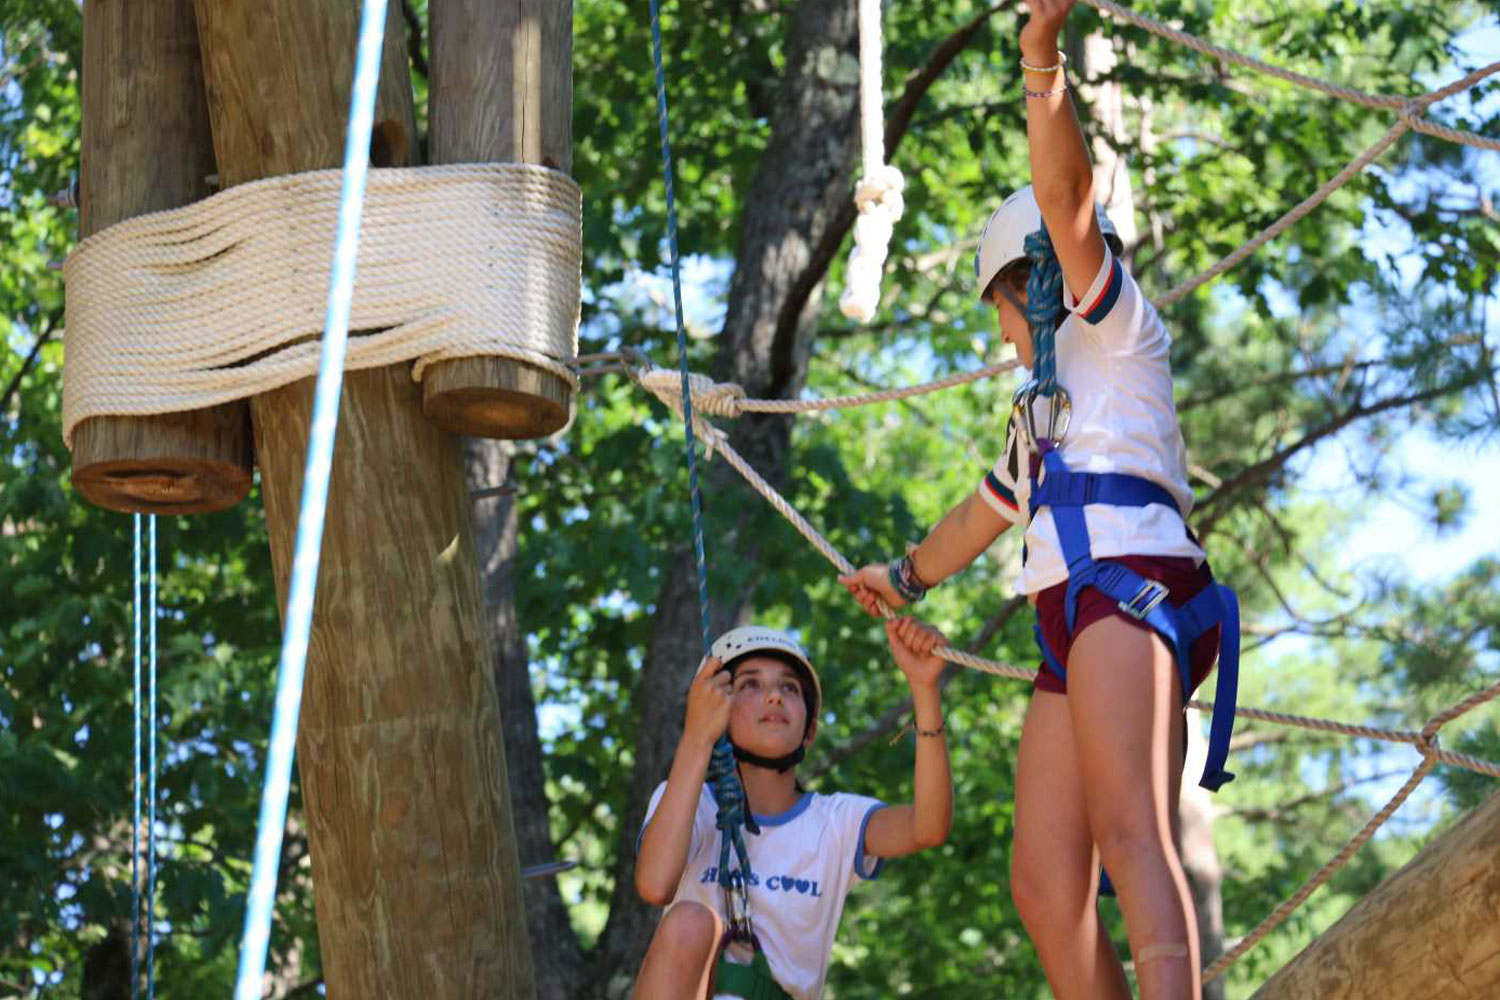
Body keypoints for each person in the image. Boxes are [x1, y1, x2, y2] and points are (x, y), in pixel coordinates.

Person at [839, 2, 1239, 997]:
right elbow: (979, 517)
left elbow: (1064, 202)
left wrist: (1039, 61)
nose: (1006, 338)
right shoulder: (1038, 417)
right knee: (1042, 879)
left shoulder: (1117, 331)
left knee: (1127, 828)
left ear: (1039, 293)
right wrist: (899, 577)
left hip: (1129, 593)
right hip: (1071, 620)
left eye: (1005, 314)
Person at [631, 620, 953, 1000]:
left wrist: (925, 691)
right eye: (750, 684)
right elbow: (654, 885)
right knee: (689, 922)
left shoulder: (835, 824)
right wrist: (697, 736)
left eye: (789, 687)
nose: (774, 697)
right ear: (718, 711)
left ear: (810, 728)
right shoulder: (689, 802)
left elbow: (927, 827)